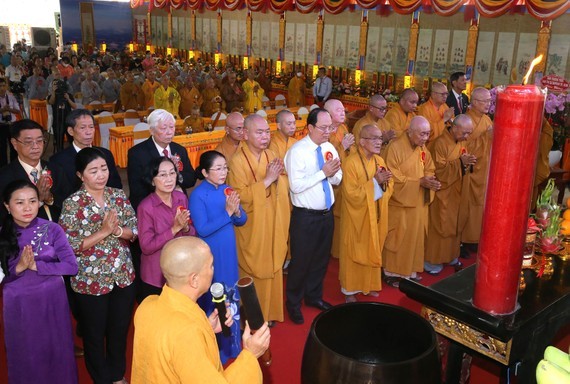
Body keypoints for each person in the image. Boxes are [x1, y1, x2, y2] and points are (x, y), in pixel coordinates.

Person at [131, 237, 269, 383]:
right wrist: (250, 354)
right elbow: (182, 341)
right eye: (211, 266)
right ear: (194, 279)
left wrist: (206, 327)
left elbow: (168, 345)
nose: (213, 270)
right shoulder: (186, 334)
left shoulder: (146, 305)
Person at [59, 147, 137, 384]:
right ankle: (101, 378)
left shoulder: (117, 195)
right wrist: (103, 232)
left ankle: (116, 374)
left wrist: (118, 231)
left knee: (119, 330)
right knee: (94, 334)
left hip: (122, 275)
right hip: (90, 281)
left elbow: (134, 230)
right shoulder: (73, 203)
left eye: (103, 168)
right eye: (93, 171)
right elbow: (68, 245)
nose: (101, 174)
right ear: (81, 175)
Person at [0, 180, 78, 384]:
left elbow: (71, 266)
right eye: (19, 202)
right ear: (7, 206)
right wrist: (19, 268)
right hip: (20, 306)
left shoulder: (52, 229)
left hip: (52, 302)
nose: (27, 207)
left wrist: (38, 266)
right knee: (27, 354)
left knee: (56, 351)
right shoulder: (2, 234)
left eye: (32, 201)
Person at [228, 114, 290, 324]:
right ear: (245, 134)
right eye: (259, 132)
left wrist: (277, 179)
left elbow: (283, 184)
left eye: (267, 132)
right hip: (252, 225)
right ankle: (253, 315)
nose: (265, 137)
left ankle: (271, 312)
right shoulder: (237, 162)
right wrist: (268, 180)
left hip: (273, 218)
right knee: (255, 267)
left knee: (273, 264)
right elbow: (238, 196)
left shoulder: (271, 154)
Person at [284, 108, 342, 324]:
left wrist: (333, 174)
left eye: (330, 127)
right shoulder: (297, 151)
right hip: (305, 217)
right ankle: (293, 303)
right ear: (310, 127)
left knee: (320, 258)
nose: (328, 131)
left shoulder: (328, 148)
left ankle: (314, 297)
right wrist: (323, 173)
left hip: (327, 214)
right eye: (324, 127)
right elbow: (296, 186)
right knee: (301, 261)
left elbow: (337, 178)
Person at [189, 150, 247, 362]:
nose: (223, 172)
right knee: (215, 298)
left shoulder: (226, 189)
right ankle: (217, 352)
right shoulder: (197, 195)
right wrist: (228, 214)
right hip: (211, 254)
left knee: (232, 297)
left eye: (225, 167)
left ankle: (234, 346)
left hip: (229, 252)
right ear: (205, 172)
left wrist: (237, 213)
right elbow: (203, 229)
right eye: (218, 168)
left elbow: (241, 220)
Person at [382, 116, 440, 288]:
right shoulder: (395, 147)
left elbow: (429, 167)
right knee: (398, 238)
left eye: (428, 134)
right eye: (422, 134)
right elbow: (392, 176)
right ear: (410, 131)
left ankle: (410, 271)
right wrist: (419, 182)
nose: (425, 138)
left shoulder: (422, 148)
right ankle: (391, 273)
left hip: (417, 202)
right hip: (400, 204)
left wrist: (430, 180)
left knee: (415, 237)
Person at [339, 125, 393, 302]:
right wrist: (375, 183)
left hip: (375, 214)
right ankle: (349, 290)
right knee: (355, 250)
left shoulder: (380, 160)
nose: (379, 142)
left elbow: (389, 184)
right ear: (362, 141)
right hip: (357, 217)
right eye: (374, 139)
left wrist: (384, 183)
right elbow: (351, 194)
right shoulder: (351, 163)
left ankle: (368, 285)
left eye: (380, 138)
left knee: (373, 247)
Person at [137, 156, 195, 302]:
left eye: (172, 173)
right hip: (156, 275)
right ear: (152, 180)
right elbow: (146, 246)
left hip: (181, 269)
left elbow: (193, 233)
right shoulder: (146, 207)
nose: (169, 179)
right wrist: (174, 229)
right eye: (162, 175)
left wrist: (186, 227)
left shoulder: (180, 198)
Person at [424, 115, 475, 275]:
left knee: (455, 224)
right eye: (465, 133)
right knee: (441, 226)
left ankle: (451, 255)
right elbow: (439, 171)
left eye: (469, 133)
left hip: (458, 192)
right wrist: (460, 163)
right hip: (443, 193)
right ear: (455, 127)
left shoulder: (461, 142)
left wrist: (468, 163)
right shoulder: (439, 143)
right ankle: (432, 261)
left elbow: (464, 162)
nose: (466, 137)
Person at [0, 119, 71, 223]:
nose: (35, 146)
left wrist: (50, 198)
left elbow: (69, 202)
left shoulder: (56, 169)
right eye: (28, 142)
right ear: (14, 143)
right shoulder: (4, 176)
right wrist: (37, 200)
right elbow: (3, 216)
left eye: (39, 140)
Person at [127, 108, 196, 211]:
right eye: (163, 128)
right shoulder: (137, 153)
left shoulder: (179, 150)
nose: (169, 132)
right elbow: (137, 189)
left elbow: (191, 179)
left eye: (172, 127)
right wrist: (166, 192)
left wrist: (177, 177)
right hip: (152, 207)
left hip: (179, 204)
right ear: (152, 130)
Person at [50, 108, 122, 192]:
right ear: (71, 131)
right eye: (82, 128)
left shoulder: (105, 154)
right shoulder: (58, 161)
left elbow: (116, 185)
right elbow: (59, 193)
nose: (88, 132)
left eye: (91, 127)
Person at [458, 87, 493, 257]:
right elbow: (464, 147)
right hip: (470, 170)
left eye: (489, 100)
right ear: (474, 102)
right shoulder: (466, 120)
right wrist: (486, 137)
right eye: (485, 101)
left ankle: (473, 239)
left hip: (484, 170)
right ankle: (462, 240)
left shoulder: (487, 120)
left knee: (480, 206)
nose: (488, 104)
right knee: (467, 205)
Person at [325, 98, 355, 259]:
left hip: (345, 176)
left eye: (343, 110)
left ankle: (337, 249)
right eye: (338, 110)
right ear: (328, 114)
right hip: (330, 180)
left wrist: (348, 148)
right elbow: (325, 158)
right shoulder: (323, 131)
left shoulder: (343, 127)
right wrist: (342, 146)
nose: (343, 112)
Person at [48, 66, 77, 152]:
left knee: (72, 141)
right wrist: (53, 92)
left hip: (68, 120)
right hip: (58, 121)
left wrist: (67, 98)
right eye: (56, 74)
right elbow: (51, 102)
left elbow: (74, 106)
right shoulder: (52, 94)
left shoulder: (67, 93)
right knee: (59, 143)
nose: (58, 76)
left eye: (59, 74)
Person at [0, 77, 20, 166]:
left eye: (4, 85)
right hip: (1, 126)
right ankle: (3, 168)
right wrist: (2, 110)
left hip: (12, 125)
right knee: (2, 149)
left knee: (14, 147)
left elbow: (18, 110)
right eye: (0, 86)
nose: (2, 88)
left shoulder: (11, 97)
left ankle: (14, 166)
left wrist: (9, 109)